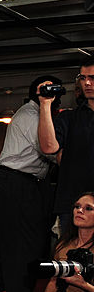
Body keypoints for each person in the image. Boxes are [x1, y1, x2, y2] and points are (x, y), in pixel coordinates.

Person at [0, 76, 60, 292]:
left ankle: (4, 291)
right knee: (20, 246)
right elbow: (49, 150)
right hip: (17, 181)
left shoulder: (40, 115)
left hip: (32, 183)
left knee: (32, 244)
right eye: (47, 89)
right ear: (37, 93)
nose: (52, 93)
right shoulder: (31, 115)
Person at [37, 63, 94, 227]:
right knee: (68, 251)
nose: (87, 83)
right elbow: (48, 147)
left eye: (92, 78)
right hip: (74, 204)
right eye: (83, 78)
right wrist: (45, 105)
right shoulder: (69, 118)